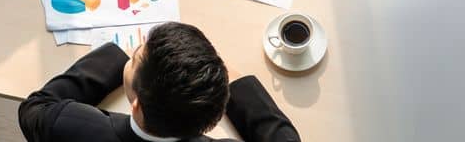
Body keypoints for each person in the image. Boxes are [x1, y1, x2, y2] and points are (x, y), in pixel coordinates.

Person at [18, 22, 301, 142]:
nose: (135, 52)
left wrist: (117, 57)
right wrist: (222, 78)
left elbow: (34, 107)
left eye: (137, 55)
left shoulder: (73, 126)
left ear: (137, 104)